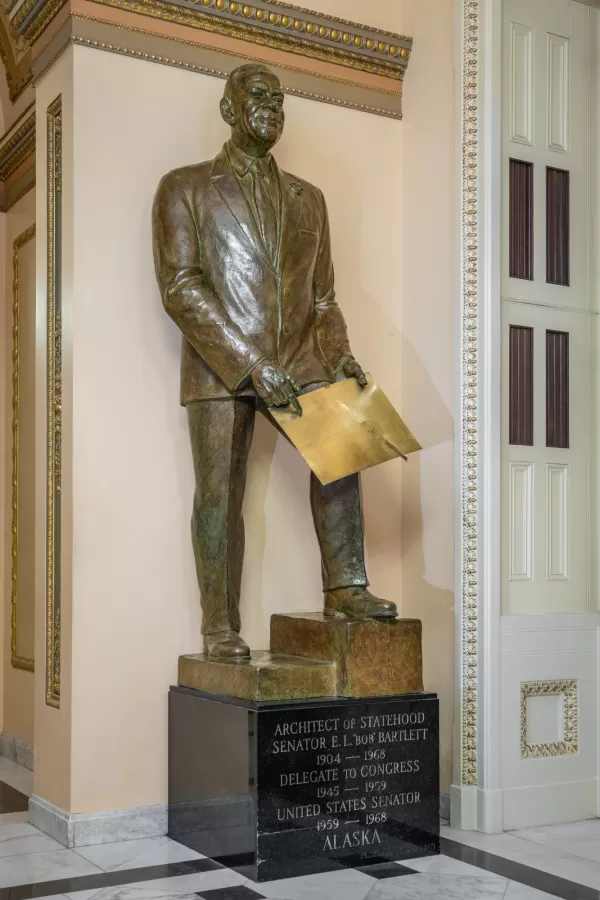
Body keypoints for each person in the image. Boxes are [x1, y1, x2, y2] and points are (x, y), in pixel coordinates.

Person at [152, 63, 397, 661]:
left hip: (302, 358)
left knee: (343, 458)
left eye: (279, 99)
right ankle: (220, 627)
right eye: (257, 96)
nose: (271, 106)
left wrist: (339, 354)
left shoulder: (309, 199)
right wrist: (249, 362)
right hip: (221, 363)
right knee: (220, 493)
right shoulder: (183, 187)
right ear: (230, 109)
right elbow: (181, 287)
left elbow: (323, 298)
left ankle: (346, 588)